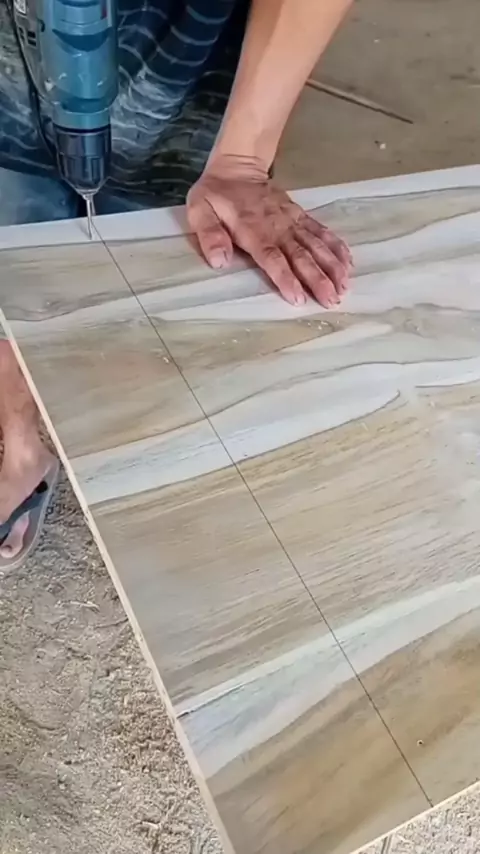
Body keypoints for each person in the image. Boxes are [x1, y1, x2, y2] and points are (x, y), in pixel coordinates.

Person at [0, 0, 353, 568]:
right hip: (10, 66)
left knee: (177, 275)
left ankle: (151, 463)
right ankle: (23, 445)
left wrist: (242, 158)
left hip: (185, 71)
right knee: (15, 262)